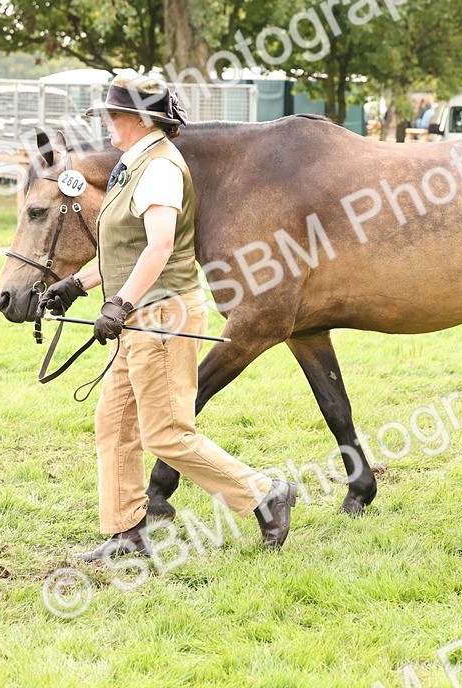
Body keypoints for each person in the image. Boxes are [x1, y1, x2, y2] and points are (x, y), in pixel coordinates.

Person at [41, 72, 297, 560]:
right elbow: (127, 247)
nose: (108, 125)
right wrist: (79, 284)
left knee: (166, 432)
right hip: (141, 313)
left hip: (160, 317)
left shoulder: (158, 169)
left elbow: (159, 247)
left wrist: (120, 304)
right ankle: (127, 531)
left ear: (139, 119)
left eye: (114, 116)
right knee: (115, 423)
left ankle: (265, 495)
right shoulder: (132, 164)